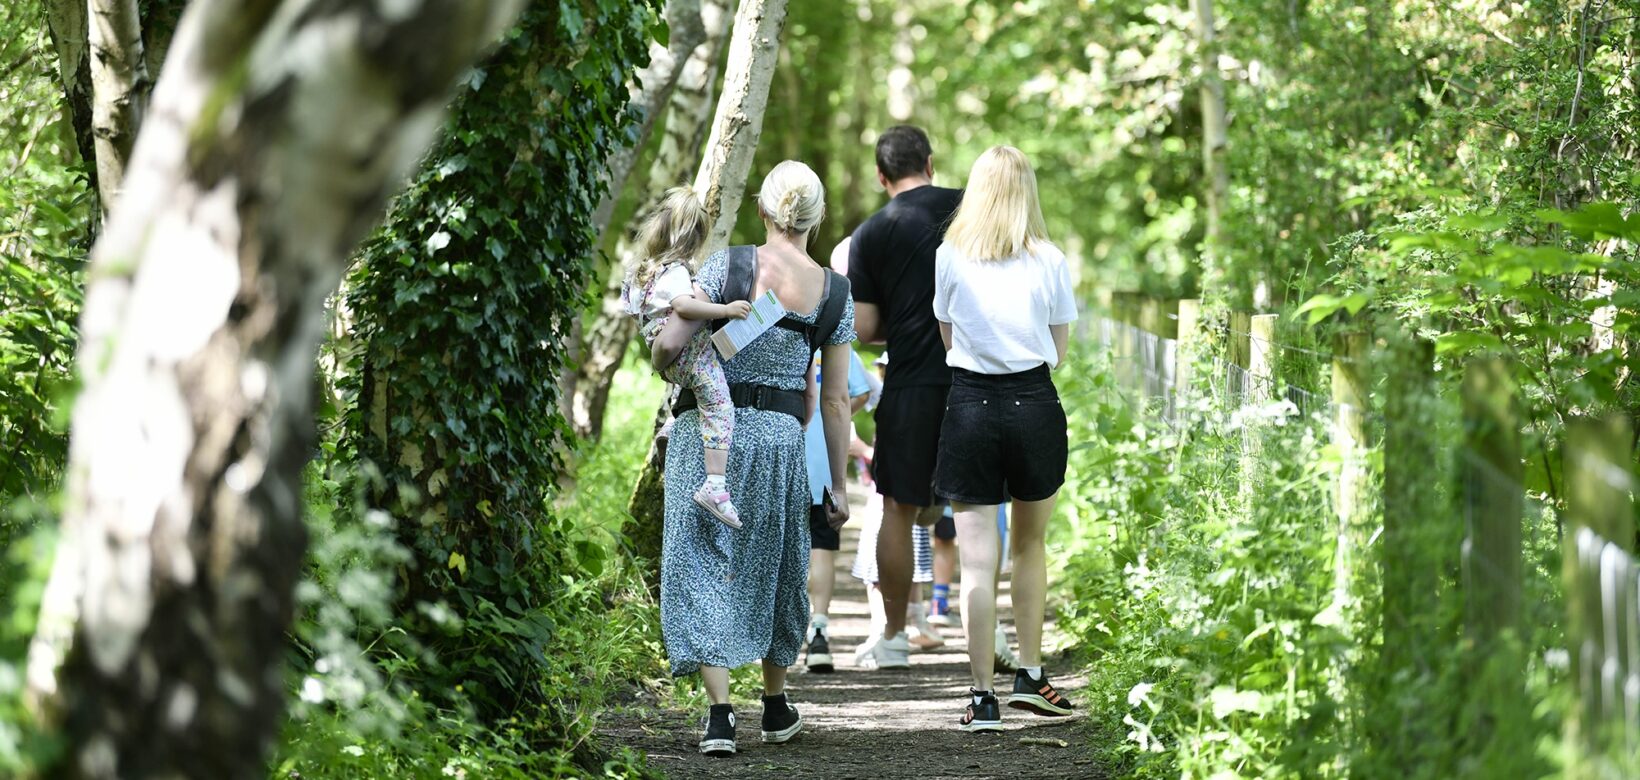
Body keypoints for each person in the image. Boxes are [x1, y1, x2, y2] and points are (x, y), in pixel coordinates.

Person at [650, 161, 855, 756]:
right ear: (814, 221)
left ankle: (719, 716)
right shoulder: (835, 293)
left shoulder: (728, 266)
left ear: (762, 212)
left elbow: (673, 342)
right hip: (778, 440)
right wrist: (836, 486)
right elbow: (837, 400)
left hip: (709, 432)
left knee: (701, 562)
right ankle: (773, 703)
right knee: (775, 562)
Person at [931, 146, 1078, 732]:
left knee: (975, 563)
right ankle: (1032, 675)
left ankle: (982, 696)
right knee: (1029, 547)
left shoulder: (949, 256)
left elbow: (946, 338)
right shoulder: (1050, 260)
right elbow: (1059, 350)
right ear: (1027, 193)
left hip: (968, 403)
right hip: (1034, 404)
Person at [847, 125, 964, 669]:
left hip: (910, 383)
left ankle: (893, 636)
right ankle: (997, 640)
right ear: (931, 163)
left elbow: (866, 325)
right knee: (979, 507)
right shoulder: (970, 210)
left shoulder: (871, 233)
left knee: (896, 507)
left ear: (880, 175)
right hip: (974, 378)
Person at [622, 187, 752, 528]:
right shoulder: (676, 272)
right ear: (691, 239)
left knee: (699, 390)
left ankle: (672, 423)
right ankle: (716, 485)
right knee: (720, 405)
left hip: (670, 357)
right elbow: (684, 307)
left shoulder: (645, 272)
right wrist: (725, 309)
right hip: (685, 353)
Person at [804, 236, 875, 674]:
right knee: (821, 549)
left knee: (781, 549)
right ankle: (820, 631)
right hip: (822, 464)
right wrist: (843, 415)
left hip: (780, 455)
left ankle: (780, 638)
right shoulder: (831, 323)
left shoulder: (771, 315)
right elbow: (860, 390)